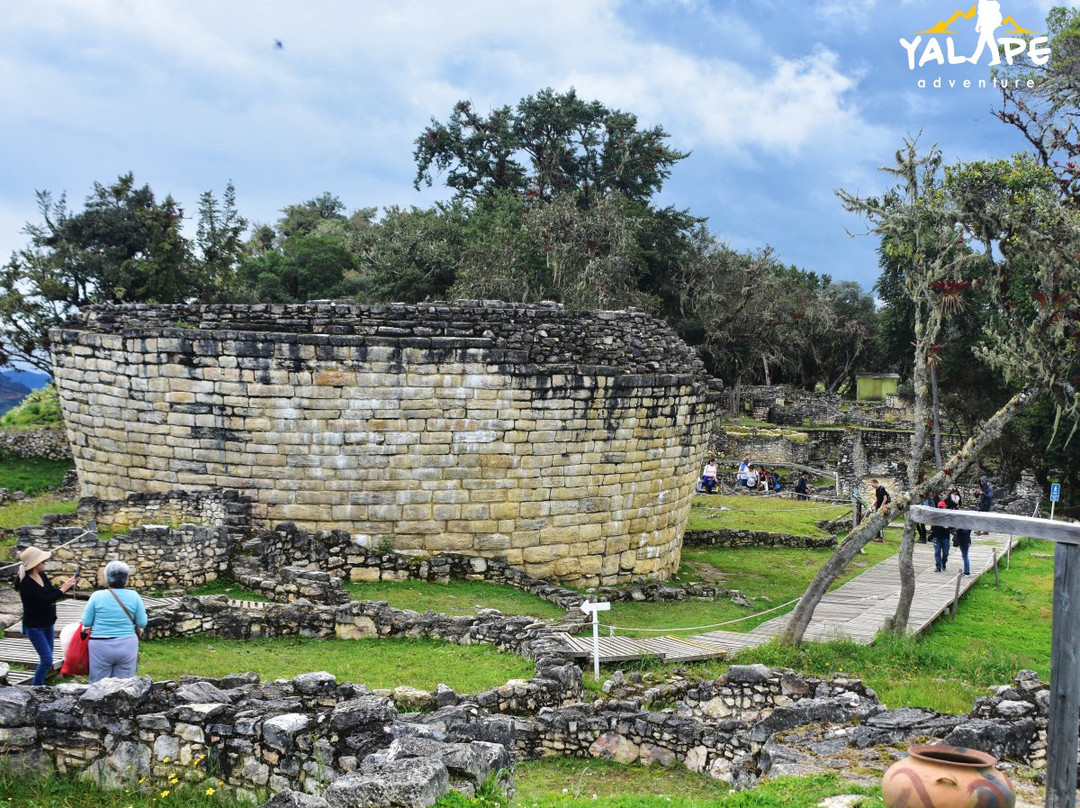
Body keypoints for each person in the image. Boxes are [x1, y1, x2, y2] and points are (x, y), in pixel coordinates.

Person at [13, 546, 80, 686]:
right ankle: (35, 687)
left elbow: (51, 593)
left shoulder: (42, 575)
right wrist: (63, 589)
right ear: (35, 564)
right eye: (42, 561)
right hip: (34, 627)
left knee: (47, 659)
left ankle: (40, 685)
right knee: (47, 660)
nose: (44, 563)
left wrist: (68, 585)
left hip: (48, 623)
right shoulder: (26, 584)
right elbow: (44, 600)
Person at [80, 560, 147, 684]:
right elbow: (142, 623)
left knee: (98, 685)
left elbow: (86, 622)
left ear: (106, 578)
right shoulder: (134, 596)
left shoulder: (96, 596)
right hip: (127, 644)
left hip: (100, 645)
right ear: (126, 579)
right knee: (124, 684)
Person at [931, 500, 952, 572]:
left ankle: (944, 563)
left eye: (942, 508)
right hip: (937, 537)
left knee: (946, 553)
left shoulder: (948, 517)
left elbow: (948, 527)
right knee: (937, 552)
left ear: (945, 508)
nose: (940, 509)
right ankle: (938, 567)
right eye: (939, 508)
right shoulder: (935, 517)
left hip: (945, 537)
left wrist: (943, 524)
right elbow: (932, 527)